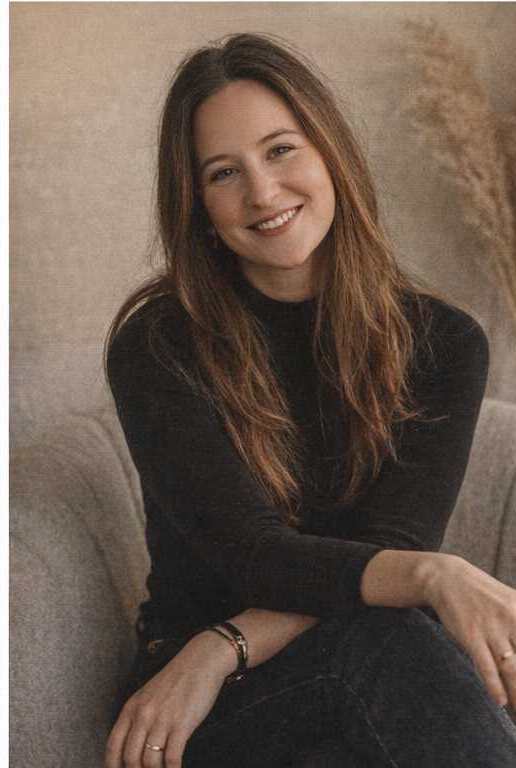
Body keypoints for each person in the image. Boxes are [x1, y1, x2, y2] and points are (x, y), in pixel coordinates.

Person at [104, 34, 516, 768]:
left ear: (331, 153)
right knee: (393, 633)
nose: (262, 192)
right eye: (224, 172)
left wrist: (223, 645)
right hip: (197, 707)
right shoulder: (159, 345)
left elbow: (389, 540)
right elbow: (258, 554)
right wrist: (430, 574)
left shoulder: (445, 342)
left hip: (251, 662)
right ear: (198, 205)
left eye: (281, 150)